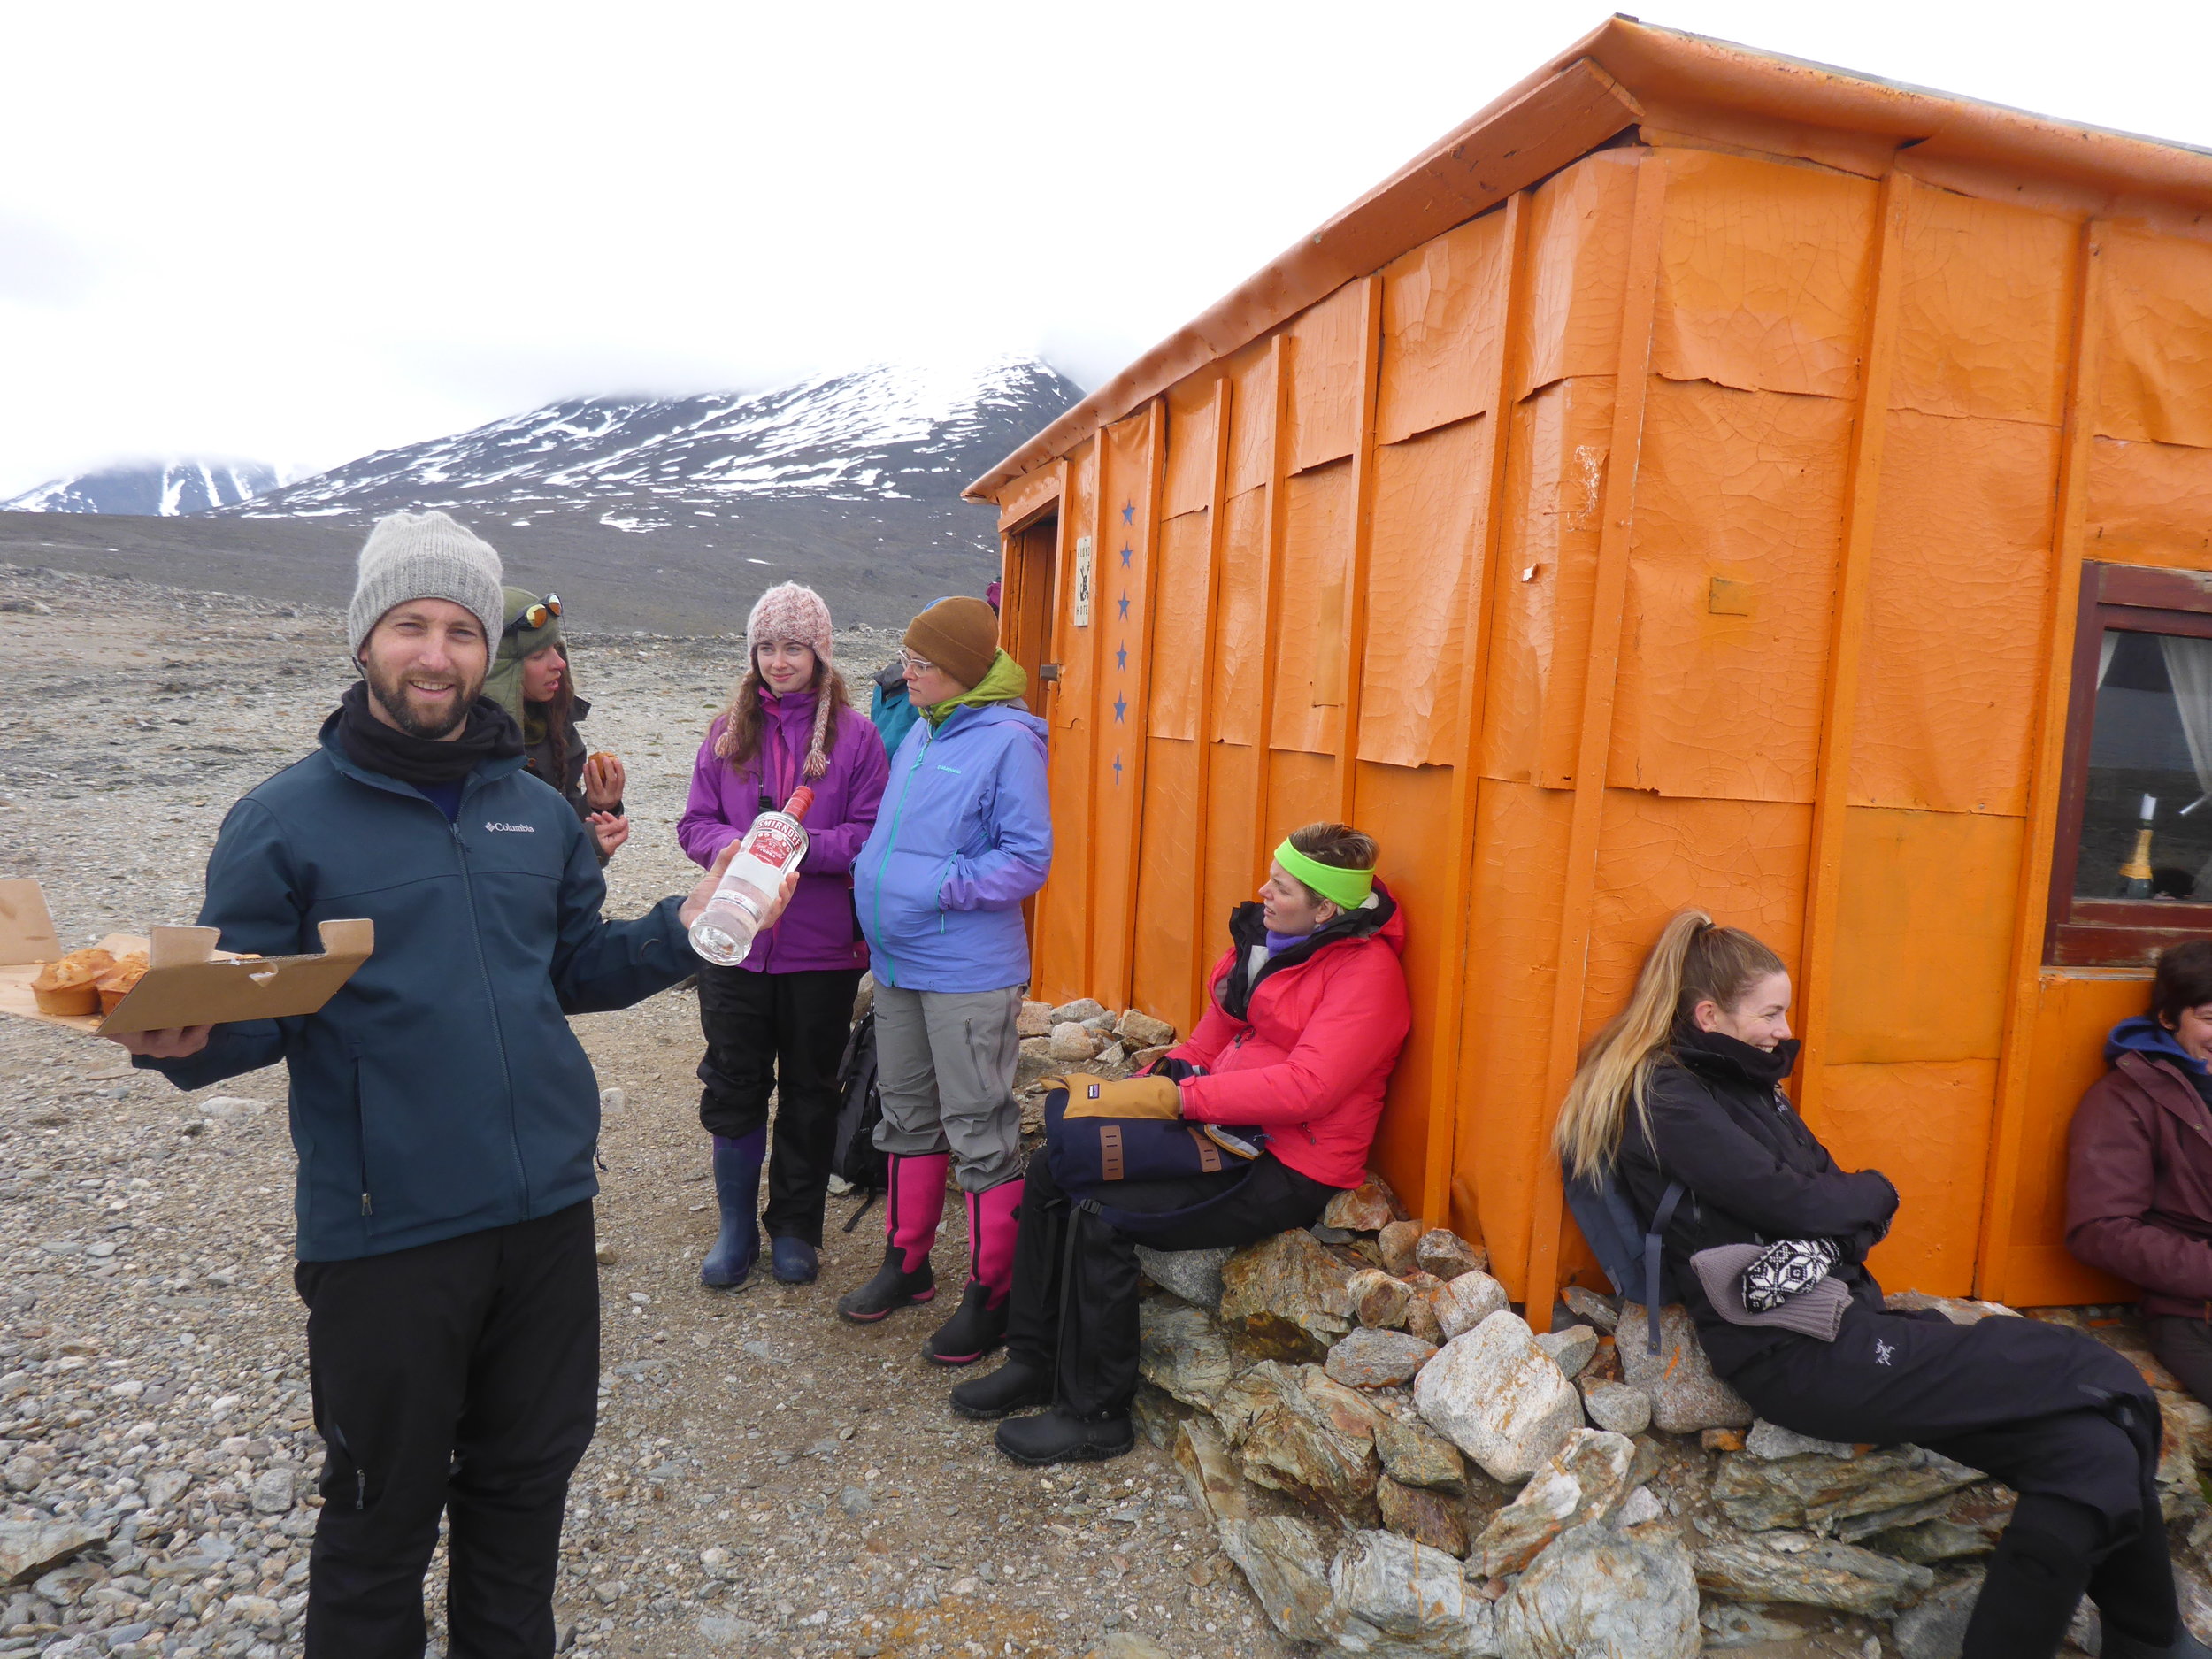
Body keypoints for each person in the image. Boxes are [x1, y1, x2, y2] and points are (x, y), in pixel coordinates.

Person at [107, 509, 778, 1659]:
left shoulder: (535, 810)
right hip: (387, 1237)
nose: (436, 651)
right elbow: (248, 1006)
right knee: (379, 1520)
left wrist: (686, 927)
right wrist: (180, 1040)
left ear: (488, 651)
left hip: (548, 1219)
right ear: (365, 638)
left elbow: (571, 966)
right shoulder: (282, 821)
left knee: (524, 1500)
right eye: (411, 623)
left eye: (461, 629)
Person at [1559, 910, 2206, 1659]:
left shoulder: (1746, 1087)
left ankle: (2148, 1639)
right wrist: (1853, 1205)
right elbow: (1807, 1200)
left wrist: (1843, 1211)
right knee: (2104, 1371)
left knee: (2095, 1446)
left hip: (1850, 1324)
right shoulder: (1670, 1100)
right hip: (1800, 1353)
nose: (1783, 1029)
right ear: (1710, 1015)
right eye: (1770, 1012)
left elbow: (1829, 1199)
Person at [950, 823, 1410, 1465]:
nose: (1263, 891)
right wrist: (1134, 1095)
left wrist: (1184, 1101)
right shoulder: (1272, 945)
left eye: (1280, 886)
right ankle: (1034, 1356)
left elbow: (1311, 1088)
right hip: (1222, 1126)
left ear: (1326, 907)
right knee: (1057, 1163)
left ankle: (1094, 1413)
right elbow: (1202, 1046)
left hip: (1286, 1162)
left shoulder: (1368, 976)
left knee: (1104, 1212)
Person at [836, 597, 1049, 1363]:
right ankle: (908, 1261)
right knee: (904, 1114)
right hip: (898, 966)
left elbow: (1029, 858)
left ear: (959, 670)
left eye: (920, 661)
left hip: (966, 970)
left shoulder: (1007, 741)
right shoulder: (925, 731)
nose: (907, 670)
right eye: (906, 656)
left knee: (980, 1130)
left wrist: (937, 888)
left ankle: (992, 1295)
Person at [677, 582, 887, 1287]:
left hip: (820, 949)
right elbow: (694, 822)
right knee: (734, 1082)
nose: (778, 660)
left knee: (810, 1086)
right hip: (734, 940)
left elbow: (869, 836)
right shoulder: (726, 731)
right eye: (766, 646)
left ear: (820, 652)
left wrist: (798, 844)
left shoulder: (855, 738)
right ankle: (735, 1226)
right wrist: (736, 849)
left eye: (793, 646)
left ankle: (795, 1226)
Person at [2070, 939, 2212, 1410]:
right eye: (2210, 1019)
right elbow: (2100, 1230)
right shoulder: (2124, 1097)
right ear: (2168, 1018)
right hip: (2195, 1312)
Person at [484, 586, 628, 862]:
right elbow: (496, 855)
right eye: (538, 655)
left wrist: (598, 807)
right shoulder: (465, 744)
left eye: (556, 649)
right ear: (497, 668)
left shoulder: (554, 725)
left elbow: (560, 818)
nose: (559, 663)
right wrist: (584, 844)